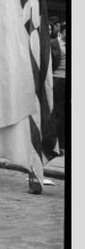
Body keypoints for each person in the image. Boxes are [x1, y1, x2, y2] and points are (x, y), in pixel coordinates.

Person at [51, 22, 66, 155]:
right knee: (58, 113)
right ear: (61, 32)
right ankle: (58, 145)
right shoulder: (53, 44)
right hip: (57, 80)